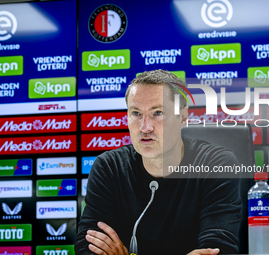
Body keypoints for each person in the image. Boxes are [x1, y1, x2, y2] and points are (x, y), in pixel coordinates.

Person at [75, 69, 241, 255]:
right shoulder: (109, 167)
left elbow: (218, 250)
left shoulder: (216, 164)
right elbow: (88, 247)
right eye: (136, 113)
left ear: (183, 117)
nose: (145, 127)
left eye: (158, 112)